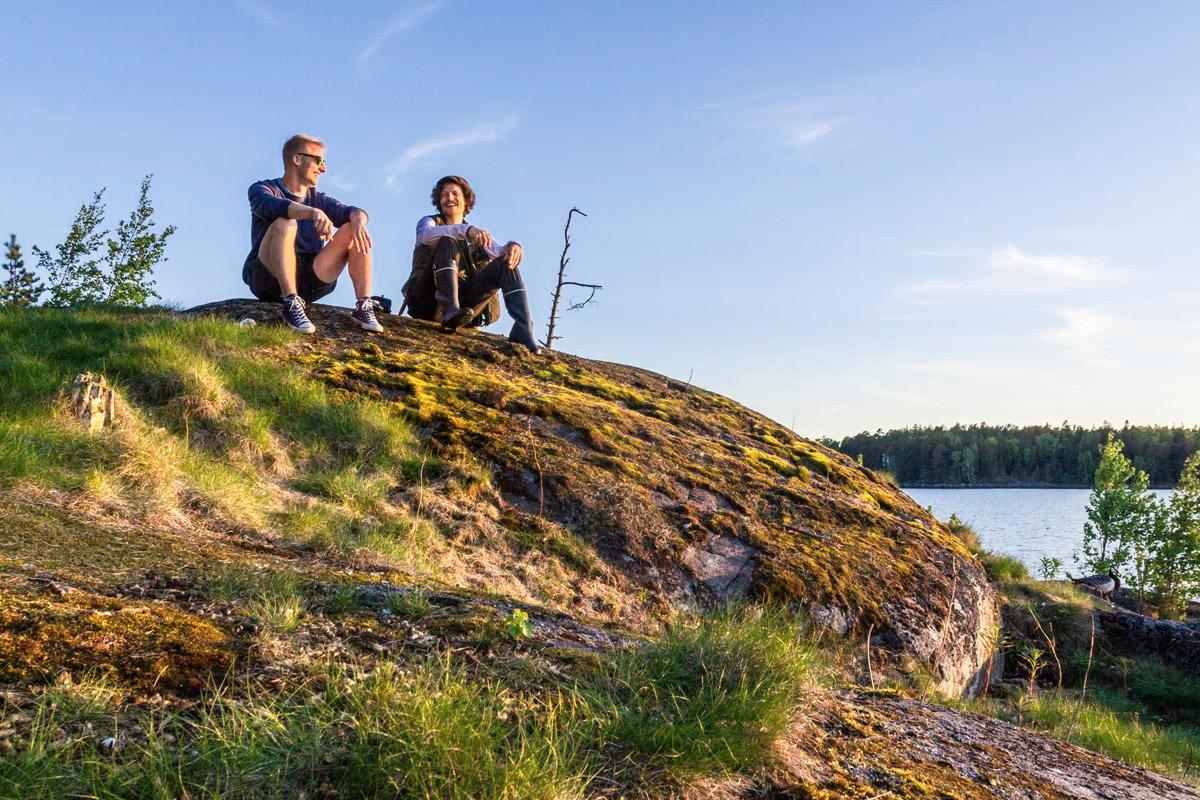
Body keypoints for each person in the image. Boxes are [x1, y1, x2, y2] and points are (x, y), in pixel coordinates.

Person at [244, 134, 382, 334]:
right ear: (297, 159)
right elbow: (273, 206)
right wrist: (312, 213)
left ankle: (364, 305)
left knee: (354, 226)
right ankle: (291, 303)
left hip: (311, 279)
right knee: (285, 222)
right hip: (268, 276)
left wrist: (359, 219)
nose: (323, 168)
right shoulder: (262, 189)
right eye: (318, 160)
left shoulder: (320, 199)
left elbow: (353, 211)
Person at [402, 175, 539, 353]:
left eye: (455, 194)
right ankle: (449, 310)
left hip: (464, 306)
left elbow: (499, 251)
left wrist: (514, 246)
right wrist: (465, 230)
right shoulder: (428, 222)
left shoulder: (478, 236)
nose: (449, 198)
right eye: (444, 195)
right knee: (447, 240)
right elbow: (424, 235)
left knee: (505, 263)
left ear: (466, 201)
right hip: (425, 300)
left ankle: (523, 328)